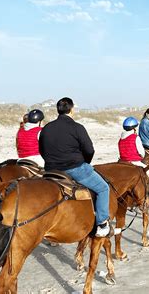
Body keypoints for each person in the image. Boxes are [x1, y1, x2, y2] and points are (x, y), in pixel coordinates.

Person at [39, 97, 111, 237]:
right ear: (72, 110)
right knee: (103, 188)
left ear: (58, 110)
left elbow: (42, 150)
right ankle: (102, 223)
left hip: (51, 170)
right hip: (75, 169)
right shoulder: (77, 127)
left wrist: (52, 163)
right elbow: (89, 150)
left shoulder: (47, 128)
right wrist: (85, 162)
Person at [118, 116, 149, 203]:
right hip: (134, 162)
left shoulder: (120, 139)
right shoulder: (135, 137)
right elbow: (141, 153)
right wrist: (141, 155)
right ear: (134, 128)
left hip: (122, 163)